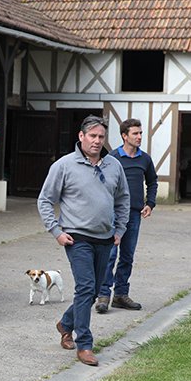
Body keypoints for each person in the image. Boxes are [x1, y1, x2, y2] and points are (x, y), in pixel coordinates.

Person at [37, 115, 130, 366]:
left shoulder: (114, 166)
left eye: (101, 137)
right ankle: (85, 344)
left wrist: (120, 229)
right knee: (86, 288)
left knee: (94, 290)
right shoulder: (64, 165)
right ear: (81, 136)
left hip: (106, 238)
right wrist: (56, 231)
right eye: (92, 136)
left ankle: (65, 323)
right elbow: (45, 200)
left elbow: (123, 199)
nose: (97, 141)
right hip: (76, 238)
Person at [95, 118, 158, 313]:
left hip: (134, 214)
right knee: (110, 255)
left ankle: (121, 295)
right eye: (135, 133)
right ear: (124, 136)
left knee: (127, 256)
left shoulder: (145, 159)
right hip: (112, 214)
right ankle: (103, 295)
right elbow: (99, 183)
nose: (139, 137)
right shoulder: (112, 158)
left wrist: (150, 203)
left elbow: (152, 182)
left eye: (140, 133)